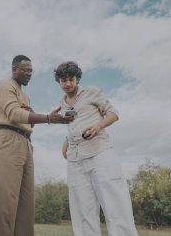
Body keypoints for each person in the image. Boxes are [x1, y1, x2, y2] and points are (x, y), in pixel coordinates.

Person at [0, 55, 73, 236]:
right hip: (7, 140)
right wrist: (49, 118)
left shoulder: (25, 95)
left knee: (26, 205)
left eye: (31, 71)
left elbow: (28, 122)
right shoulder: (5, 85)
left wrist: (38, 115)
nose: (29, 74)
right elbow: (13, 114)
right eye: (25, 70)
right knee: (7, 202)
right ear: (14, 69)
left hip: (26, 143)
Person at [54, 61, 138, 236]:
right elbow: (73, 124)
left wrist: (98, 127)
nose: (67, 84)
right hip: (75, 159)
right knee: (83, 209)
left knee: (115, 203)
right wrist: (66, 140)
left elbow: (113, 113)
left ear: (77, 79)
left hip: (100, 152)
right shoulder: (62, 102)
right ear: (59, 81)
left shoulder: (92, 92)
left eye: (71, 79)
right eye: (63, 80)